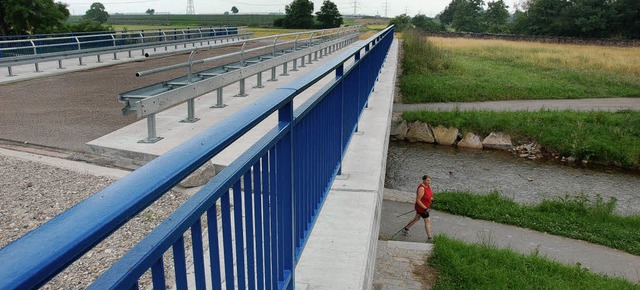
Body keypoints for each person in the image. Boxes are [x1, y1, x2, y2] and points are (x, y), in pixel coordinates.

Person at [401, 175, 434, 242]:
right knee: (427, 221)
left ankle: (406, 229)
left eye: (430, 180)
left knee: (417, 218)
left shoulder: (428, 186)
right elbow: (418, 200)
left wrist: (432, 199)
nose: (429, 182)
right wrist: (425, 208)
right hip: (422, 208)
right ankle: (430, 238)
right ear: (424, 180)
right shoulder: (421, 188)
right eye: (427, 180)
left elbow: (428, 195)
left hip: (424, 207)